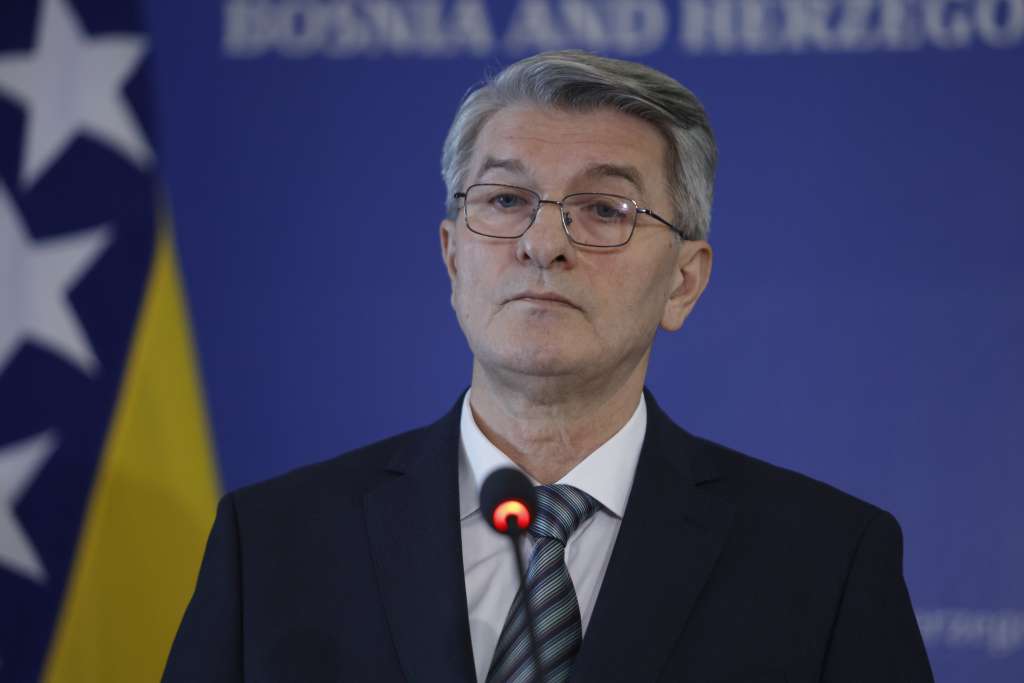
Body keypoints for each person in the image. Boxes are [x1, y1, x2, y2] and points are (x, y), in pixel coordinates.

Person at [163, 51, 933, 683]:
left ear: (683, 281)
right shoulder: (273, 544)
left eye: (604, 209)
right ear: (452, 256)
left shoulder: (825, 563)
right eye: (505, 200)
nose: (542, 243)